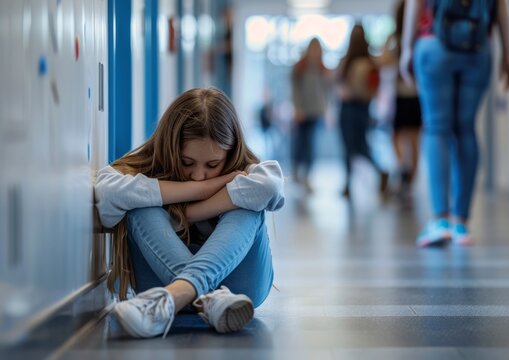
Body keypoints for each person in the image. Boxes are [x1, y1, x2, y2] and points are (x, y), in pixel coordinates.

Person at [94, 87, 285, 338]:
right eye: (187, 163)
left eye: (213, 165)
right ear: (170, 149)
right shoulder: (153, 165)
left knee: (246, 207)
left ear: (231, 152)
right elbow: (108, 193)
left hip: (240, 287)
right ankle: (208, 300)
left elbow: (270, 186)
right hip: (164, 282)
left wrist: (189, 214)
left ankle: (175, 296)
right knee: (141, 206)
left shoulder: (245, 170)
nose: (198, 174)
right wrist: (201, 189)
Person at [400, 0, 509, 246]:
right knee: (466, 129)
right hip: (478, 47)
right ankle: (460, 222)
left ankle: (440, 220)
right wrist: (507, 53)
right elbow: (501, 5)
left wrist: (407, 48)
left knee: (436, 128)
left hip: (434, 42)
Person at [336, 24, 389, 198]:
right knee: (357, 146)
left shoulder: (349, 61)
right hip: (361, 109)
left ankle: (352, 183)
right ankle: (351, 183)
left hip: (351, 108)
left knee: (354, 147)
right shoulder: (368, 62)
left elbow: (340, 86)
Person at [381, 0, 423, 203]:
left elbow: (383, 60)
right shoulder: (420, 36)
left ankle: (404, 174)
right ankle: (408, 180)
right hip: (415, 95)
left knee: (399, 137)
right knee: (412, 140)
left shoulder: (397, 39)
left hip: (405, 95)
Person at [290, 37, 330, 193]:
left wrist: (326, 109)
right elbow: (294, 88)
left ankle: (306, 176)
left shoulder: (322, 68)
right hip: (302, 112)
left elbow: (327, 91)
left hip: (316, 111)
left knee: (311, 144)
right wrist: (297, 107)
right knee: (300, 143)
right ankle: (296, 172)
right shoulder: (301, 66)